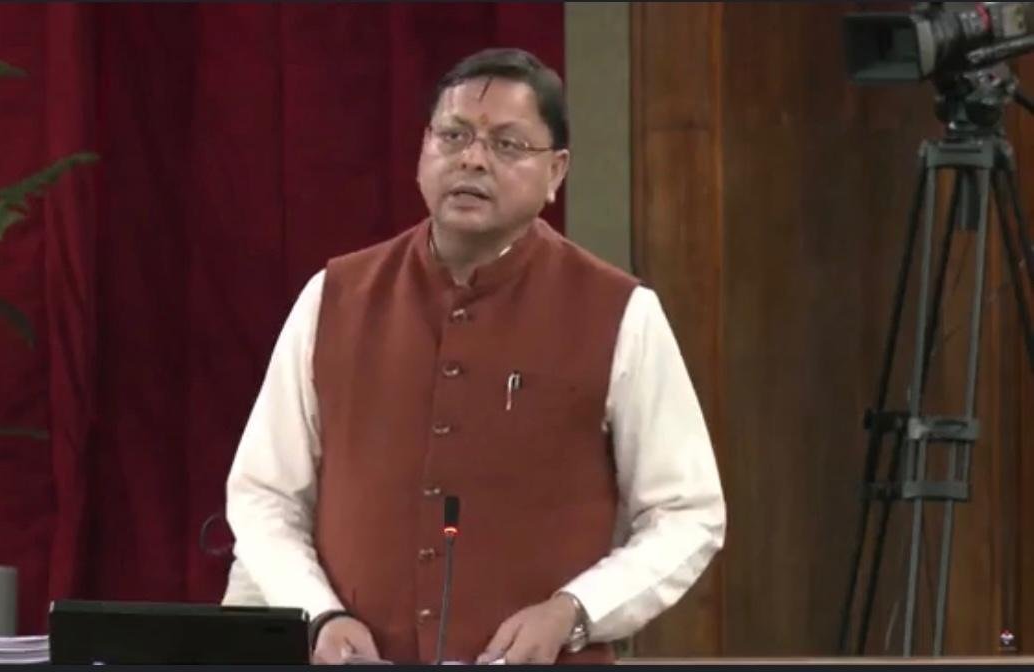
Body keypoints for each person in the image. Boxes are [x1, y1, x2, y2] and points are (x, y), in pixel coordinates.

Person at [221, 47, 725, 665]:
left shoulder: (621, 312)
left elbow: (687, 513)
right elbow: (264, 495)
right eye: (453, 135)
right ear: (422, 151)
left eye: (507, 144)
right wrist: (319, 613)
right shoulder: (334, 297)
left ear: (556, 172)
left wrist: (575, 611)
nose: (473, 159)